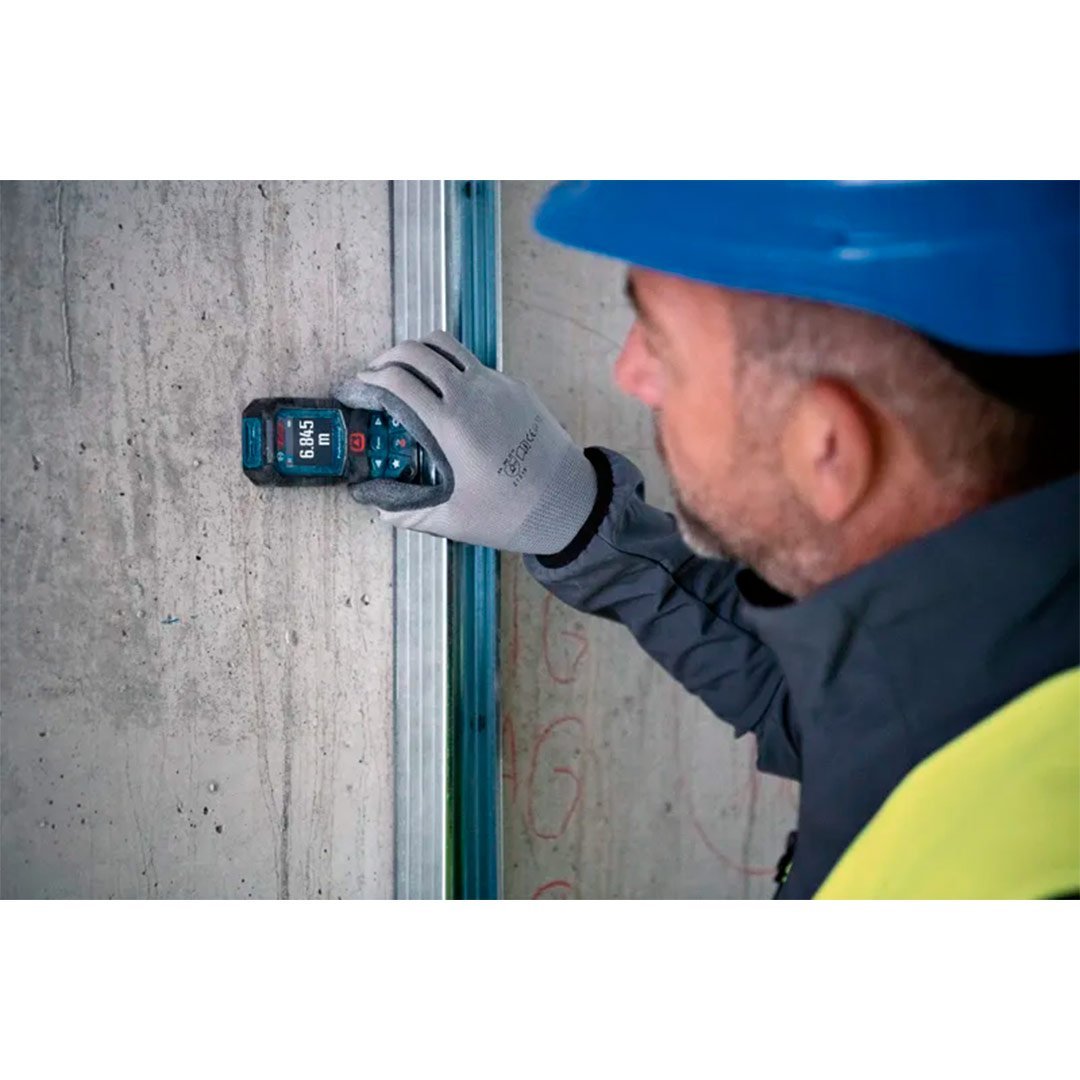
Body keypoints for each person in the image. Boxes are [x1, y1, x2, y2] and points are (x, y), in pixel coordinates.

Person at [334, 181, 1079, 899]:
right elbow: (824, 704)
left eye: (660, 344)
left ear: (828, 451)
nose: (629, 372)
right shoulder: (994, 663)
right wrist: (576, 518)